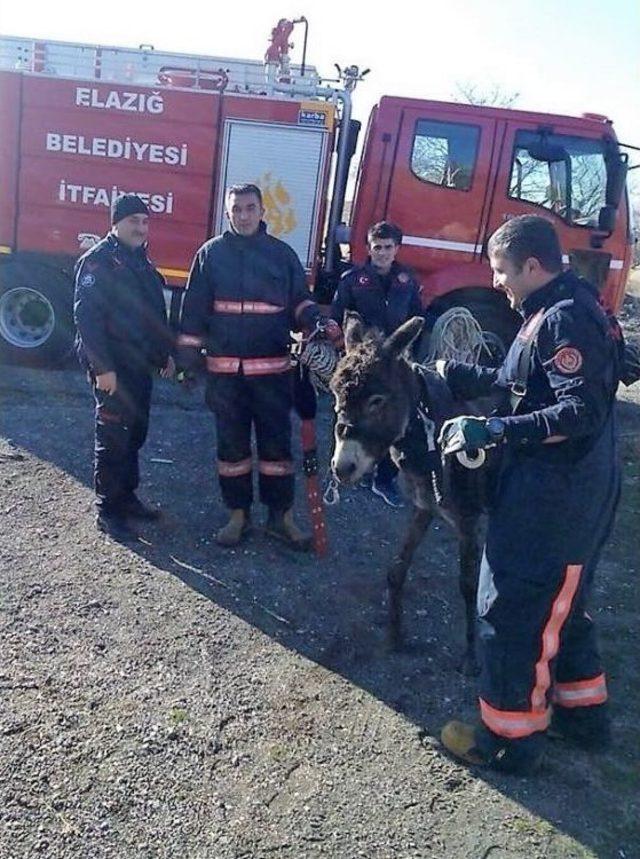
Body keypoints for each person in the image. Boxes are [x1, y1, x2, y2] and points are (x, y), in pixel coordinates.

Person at [436, 215, 623, 775]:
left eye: (501, 272)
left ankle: (507, 742)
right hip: (568, 491)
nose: (496, 283)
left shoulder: (565, 320)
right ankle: (583, 718)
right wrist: (456, 373)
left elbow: (580, 411)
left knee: (512, 608)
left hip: (555, 498)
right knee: (560, 610)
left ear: (533, 267)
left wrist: (494, 430)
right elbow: (522, 381)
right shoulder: (554, 308)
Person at [177, 183, 327, 549]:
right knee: (232, 449)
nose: (243, 215)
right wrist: (186, 363)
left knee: (277, 450)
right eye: (236, 209)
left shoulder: (281, 256)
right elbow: (192, 313)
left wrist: (315, 322)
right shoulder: (210, 255)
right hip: (225, 376)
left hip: (272, 374)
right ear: (228, 213)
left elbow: (300, 301)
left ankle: (281, 518)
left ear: (262, 212)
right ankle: (237, 516)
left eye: (249, 208)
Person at [74, 194, 174, 540]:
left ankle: (126, 496)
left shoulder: (140, 262)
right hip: (112, 368)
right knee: (113, 436)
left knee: (135, 433)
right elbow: (86, 318)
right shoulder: (98, 262)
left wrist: (164, 355)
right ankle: (108, 509)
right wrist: (102, 368)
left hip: (138, 366)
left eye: (145, 222)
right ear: (115, 223)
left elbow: (152, 316)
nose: (140, 228)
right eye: (133, 221)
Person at [331, 221, 424, 508]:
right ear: (369, 248)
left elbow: (417, 318)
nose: (382, 253)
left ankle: (384, 480)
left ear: (397, 249)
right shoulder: (351, 279)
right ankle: (349, 466)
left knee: (393, 422)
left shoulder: (407, 281)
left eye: (388, 248)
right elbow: (338, 317)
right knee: (351, 417)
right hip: (361, 369)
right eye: (377, 247)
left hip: (392, 367)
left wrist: (412, 360)